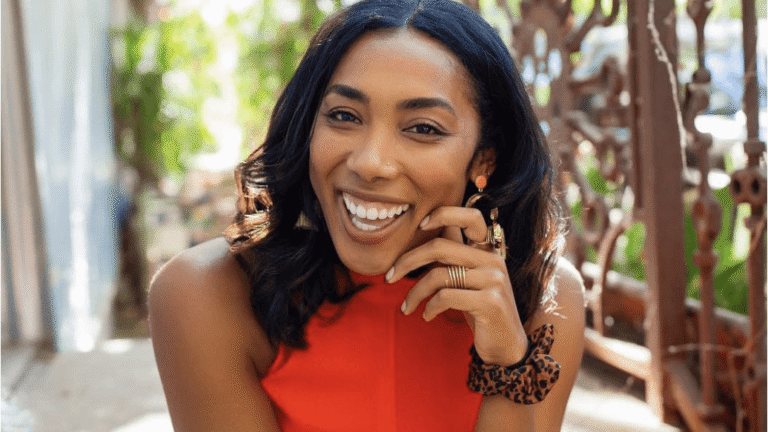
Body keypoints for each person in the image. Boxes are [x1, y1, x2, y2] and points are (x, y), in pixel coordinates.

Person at [149, 0, 585, 430]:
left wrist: (506, 362)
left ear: (483, 159)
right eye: (344, 116)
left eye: (423, 128)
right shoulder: (210, 293)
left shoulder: (545, 299)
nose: (370, 163)